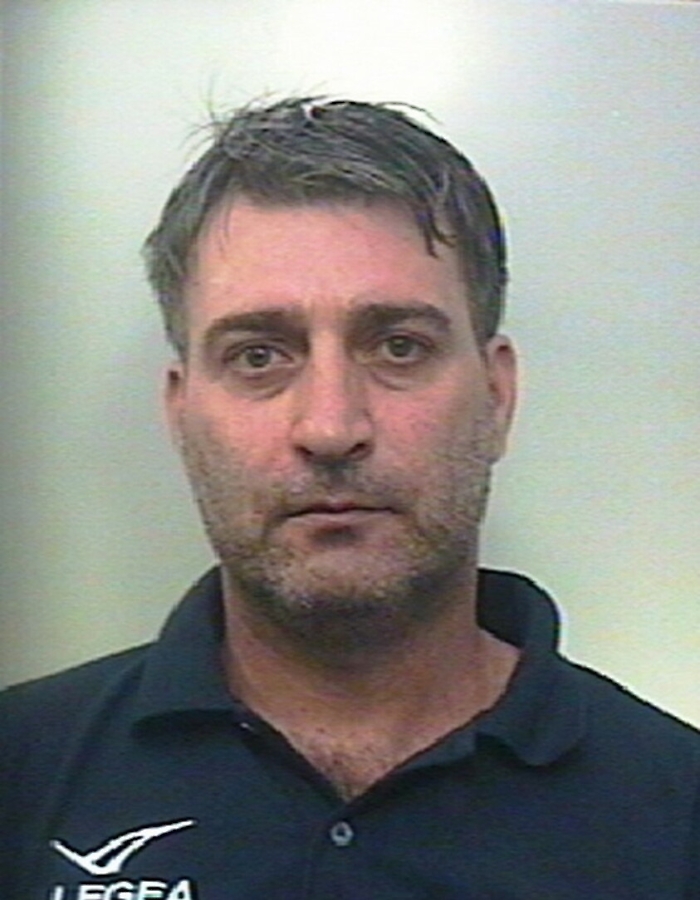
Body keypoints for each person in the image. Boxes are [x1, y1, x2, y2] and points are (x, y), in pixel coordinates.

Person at [1, 96, 698, 900]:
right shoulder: (21, 769)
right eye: (259, 355)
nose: (331, 427)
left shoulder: (680, 816)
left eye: (399, 346)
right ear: (181, 414)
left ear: (497, 396)